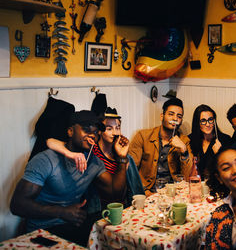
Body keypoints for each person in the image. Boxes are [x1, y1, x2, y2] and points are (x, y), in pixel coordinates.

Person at [10, 110, 129, 246]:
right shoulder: (46, 160)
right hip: (44, 230)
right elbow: (17, 204)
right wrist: (62, 212)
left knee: (116, 240)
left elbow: (115, 193)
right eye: (86, 129)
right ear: (70, 132)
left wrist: (121, 158)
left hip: (72, 226)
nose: (92, 135)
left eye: (96, 132)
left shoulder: (93, 162)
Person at [46, 107, 145, 212]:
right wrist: (70, 154)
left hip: (123, 205)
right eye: (109, 128)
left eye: (118, 127)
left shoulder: (121, 152)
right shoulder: (91, 150)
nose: (115, 133)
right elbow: (50, 141)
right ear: (100, 132)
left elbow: (132, 187)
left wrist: (122, 158)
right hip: (98, 208)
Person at [128, 98, 193, 196]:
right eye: (171, 114)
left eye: (179, 116)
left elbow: (188, 176)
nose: (175, 119)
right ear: (162, 116)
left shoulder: (184, 141)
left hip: (173, 192)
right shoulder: (143, 136)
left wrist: (184, 151)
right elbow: (131, 169)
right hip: (147, 191)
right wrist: (144, 191)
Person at [189, 104, 231, 178]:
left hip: (217, 184)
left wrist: (219, 153)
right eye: (203, 121)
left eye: (210, 120)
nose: (208, 124)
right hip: (195, 183)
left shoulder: (225, 139)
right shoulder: (190, 139)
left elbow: (229, 169)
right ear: (197, 123)